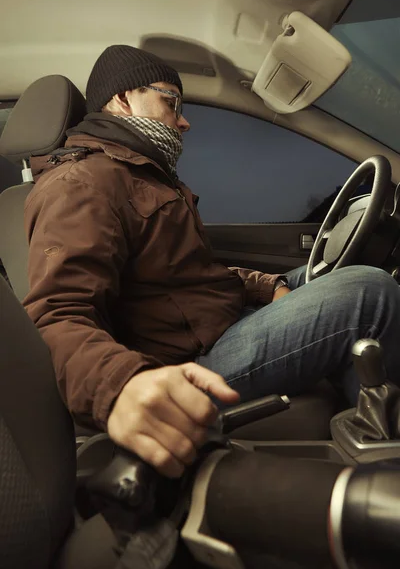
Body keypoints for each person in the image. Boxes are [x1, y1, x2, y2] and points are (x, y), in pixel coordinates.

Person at [23, 45, 400, 479]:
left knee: (316, 275)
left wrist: (267, 285)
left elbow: (192, 273)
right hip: (189, 362)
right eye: (171, 102)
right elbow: (56, 315)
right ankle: (385, 464)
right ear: (123, 99)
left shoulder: (139, 174)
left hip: (216, 324)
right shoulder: (81, 183)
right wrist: (122, 386)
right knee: (369, 293)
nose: (183, 121)